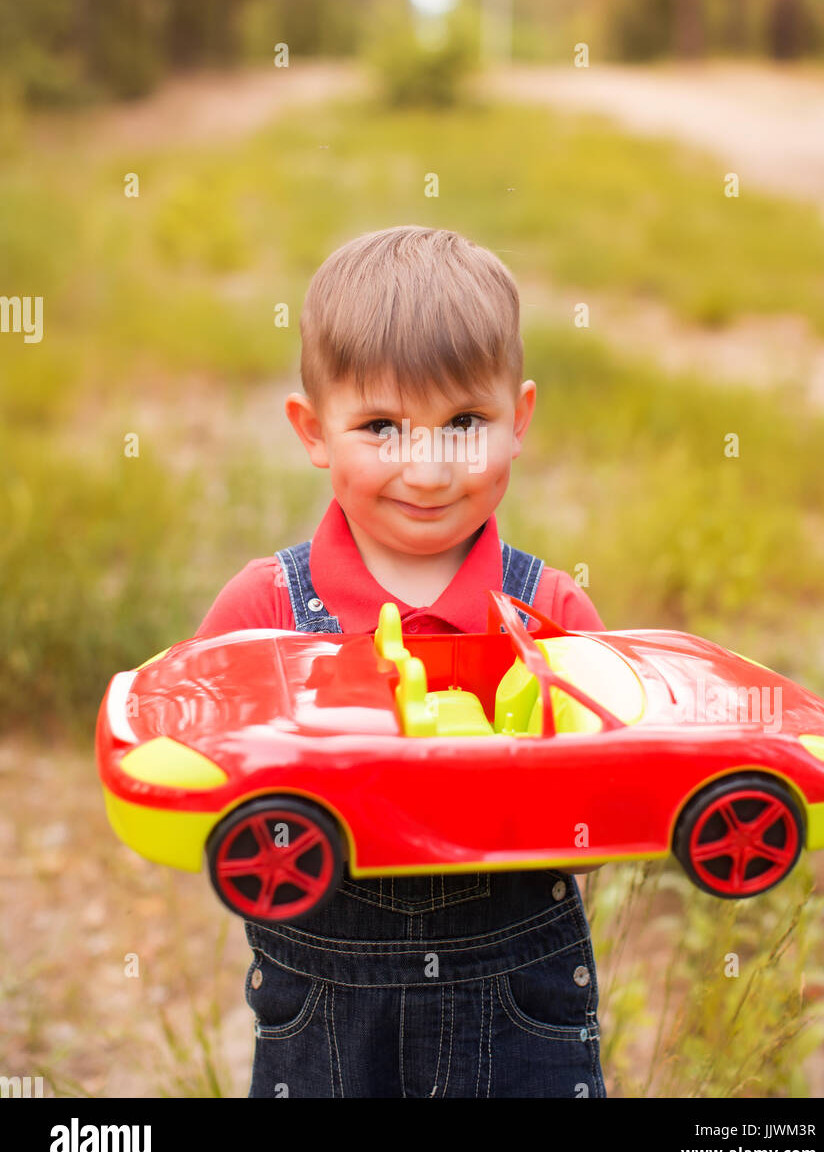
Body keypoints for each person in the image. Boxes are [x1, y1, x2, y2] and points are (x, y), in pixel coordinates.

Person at [195, 224, 608, 1098]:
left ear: (519, 418)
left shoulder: (552, 615)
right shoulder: (266, 613)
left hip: (518, 1005)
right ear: (313, 431)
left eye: (464, 422)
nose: (426, 469)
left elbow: (599, 821)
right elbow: (204, 777)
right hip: (327, 1014)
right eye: (380, 426)